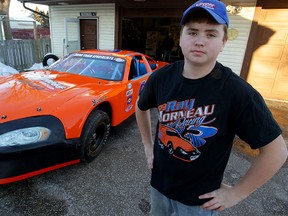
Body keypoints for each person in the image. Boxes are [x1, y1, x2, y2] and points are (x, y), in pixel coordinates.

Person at [135, 0, 288, 215]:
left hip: (199, 202)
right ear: (180, 38)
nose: (199, 41)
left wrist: (236, 193)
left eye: (211, 34)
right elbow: (140, 106)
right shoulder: (161, 77)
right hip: (158, 186)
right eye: (193, 32)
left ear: (224, 41)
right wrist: (148, 147)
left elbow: (276, 152)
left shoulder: (238, 93)